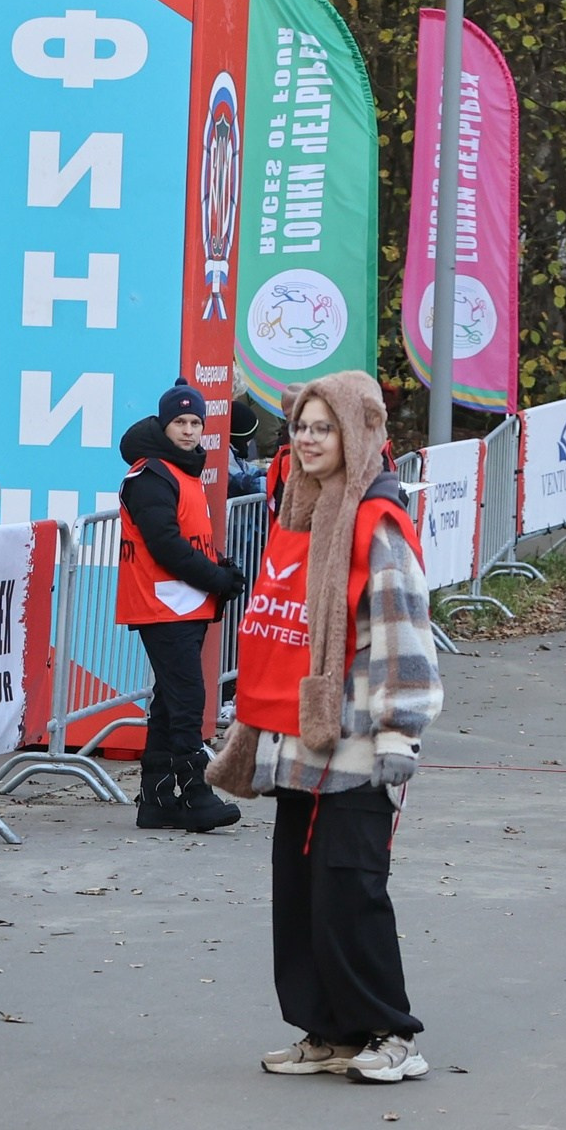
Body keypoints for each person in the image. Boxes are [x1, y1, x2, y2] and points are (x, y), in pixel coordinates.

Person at [207, 370, 442, 1085]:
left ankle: (391, 1032)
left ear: (356, 434)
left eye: (323, 427)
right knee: (302, 893)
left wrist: (399, 730)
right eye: (301, 427)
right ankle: (330, 1030)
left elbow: (403, 632)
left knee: (352, 890)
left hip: (359, 746)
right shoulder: (300, 517)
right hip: (298, 746)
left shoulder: (377, 523)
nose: (307, 440)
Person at [117, 380, 245, 831]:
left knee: (172, 705)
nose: (189, 431)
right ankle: (196, 794)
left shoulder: (178, 470)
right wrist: (216, 578)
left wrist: (220, 567)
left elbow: (190, 538)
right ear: (164, 424)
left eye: (195, 423)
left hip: (182, 604)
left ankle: (157, 799)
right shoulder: (152, 475)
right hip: (163, 605)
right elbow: (165, 544)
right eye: (180, 422)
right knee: (187, 700)